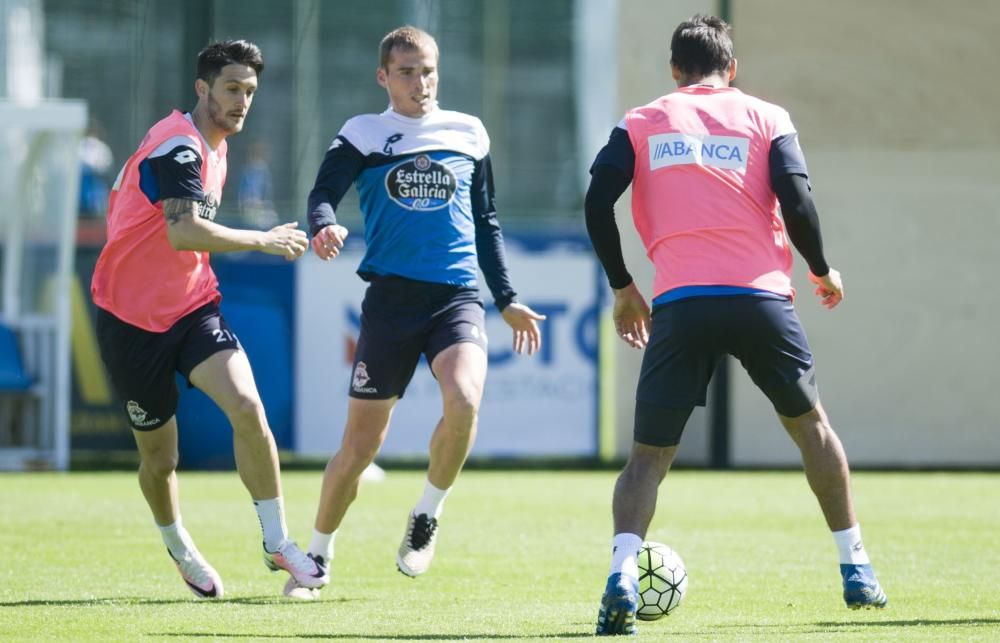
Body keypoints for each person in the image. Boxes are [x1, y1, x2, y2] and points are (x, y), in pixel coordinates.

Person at [584, 15, 887, 635]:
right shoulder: (767, 117)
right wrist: (822, 269)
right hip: (760, 300)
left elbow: (596, 201)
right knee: (812, 431)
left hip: (681, 302)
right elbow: (798, 202)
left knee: (647, 459)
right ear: (733, 69)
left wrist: (623, 286)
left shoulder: (641, 121)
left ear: (674, 69)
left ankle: (620, 573)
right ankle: (855, 567)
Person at [291, 25, 545, 597]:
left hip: (456, 298)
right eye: (406, 71)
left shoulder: (469, 132)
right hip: (390, 303)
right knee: (359, 449)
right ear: (383, 76)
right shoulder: (364, 133)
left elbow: (487, 222)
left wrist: (506, 299)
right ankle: (317, 556)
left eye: (427, 69)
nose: (419, 82)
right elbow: (322, 194)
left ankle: (428, 512)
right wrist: (325, 224)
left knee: (466, 400)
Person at [90, 40, 326, 599]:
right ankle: (179, 546)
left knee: (248, 407)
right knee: (160, 459)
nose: (242, 100)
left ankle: (277, 543)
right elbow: (183, 231)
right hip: (129, 321)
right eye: (231, 88)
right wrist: (262, 239)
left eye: (249, 91)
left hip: (193, 306)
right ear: (203, 89)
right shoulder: (179, 145)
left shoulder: (214, 145)